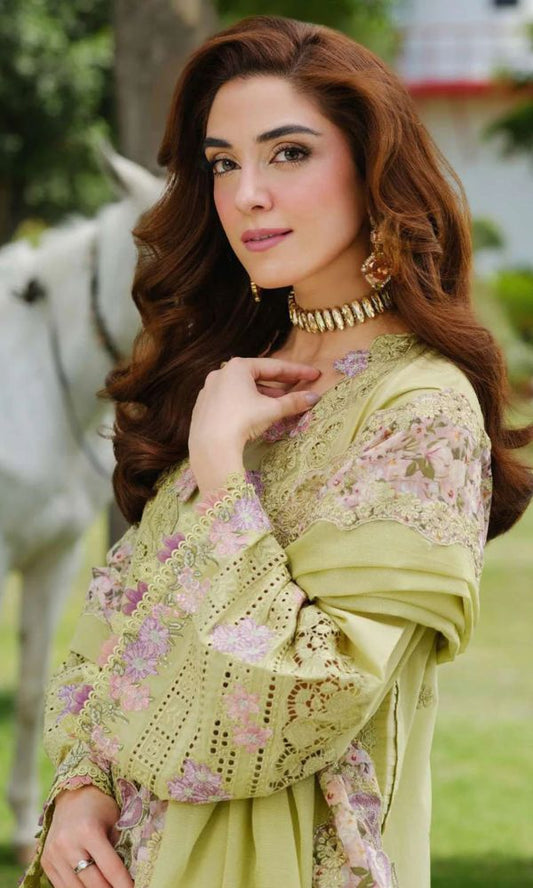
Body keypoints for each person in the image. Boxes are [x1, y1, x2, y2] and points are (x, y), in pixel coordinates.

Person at [21, 14, 533, 888]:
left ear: (372, 166)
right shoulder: (228, 376)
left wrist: (221, 472)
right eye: (222, 163)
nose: (246, 194)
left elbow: (307, 702)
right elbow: (120, 636)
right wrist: (80, 789)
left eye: (288, 153)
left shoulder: (421, 409)